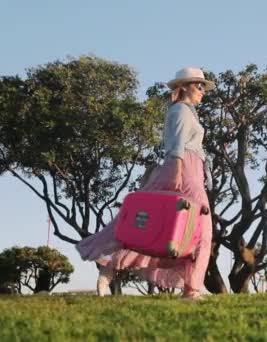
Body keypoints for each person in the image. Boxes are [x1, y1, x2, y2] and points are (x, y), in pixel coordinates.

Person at [76, 67, 215, 300]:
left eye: (203, 87)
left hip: (188, 169)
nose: (203, 91)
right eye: (199, 86)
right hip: (184, 170)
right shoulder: (181, 110)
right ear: (186, 87)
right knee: (201, 231)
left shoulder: (185, 111)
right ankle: (192, 290)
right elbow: (177, 145)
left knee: (158, 228)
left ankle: (109, 268)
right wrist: (176, 173)